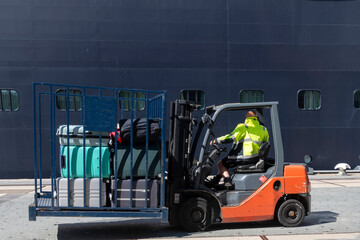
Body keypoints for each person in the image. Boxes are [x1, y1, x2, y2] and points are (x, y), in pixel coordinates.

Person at [209, 110, 269, 189]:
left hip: (243, 158)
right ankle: (215, 180)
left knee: (221, 164)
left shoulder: (243, 127)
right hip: (255, 159)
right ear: (256, 118)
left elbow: (230, 138)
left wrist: (216, 141)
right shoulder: (264, 129)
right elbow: (265, 145)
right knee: (226, 163)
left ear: (247, 118)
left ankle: (227, 181)